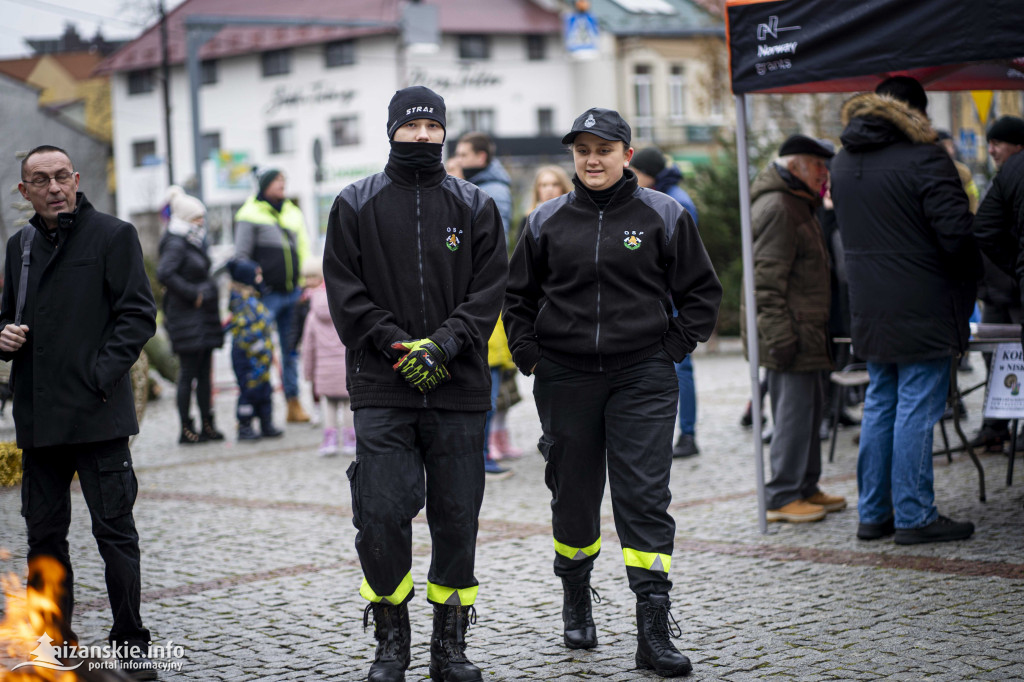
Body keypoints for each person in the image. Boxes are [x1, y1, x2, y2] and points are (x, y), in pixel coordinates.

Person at [504, 108, 721, 678]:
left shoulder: (664, 213)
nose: (592, 159)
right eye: (582, 151)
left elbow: (701, 291)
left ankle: (653, 625)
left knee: (644, 496)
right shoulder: (546, 219)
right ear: (573, 157)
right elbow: (517, 298)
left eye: (604, 149)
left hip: (641, 376)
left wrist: (670, 348)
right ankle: (576, 597)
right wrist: (531, 356)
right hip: (565, 377)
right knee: (573, 496)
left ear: (628, 153)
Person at [324, 86, 507, 682]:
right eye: (413, 127)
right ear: (392, 131)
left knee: (457, 515)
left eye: (434, 127)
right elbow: (345, 294)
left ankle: (449, 641)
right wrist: (397, 345)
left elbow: (489, 290)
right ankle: (390, 636)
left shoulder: (476, 205)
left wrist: (447, 342)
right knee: (380, 513)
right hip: (383, 384)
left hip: (458, 387)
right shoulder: (354, 203)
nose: (424, 137)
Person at [0, 145, 158, 679]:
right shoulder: (18, 245)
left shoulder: (113, 235)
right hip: (40, 421)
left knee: (115, 533)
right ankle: (53, 643)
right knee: (44, 537)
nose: (53, 187)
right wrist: (2, 337)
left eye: (61, 176)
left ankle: (132, 643)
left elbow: (137, 315)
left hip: (98, 416)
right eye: (40, 180)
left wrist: (98, 375)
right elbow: (6, 319)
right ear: (25, 192)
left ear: (76, 178)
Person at [830, 76, 979, 545]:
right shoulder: (926, 156)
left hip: (870, 304)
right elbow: (957, 237)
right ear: (917, 113)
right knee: (917, 405)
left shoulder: (843, 159)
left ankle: (875, 513)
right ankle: (915, 515)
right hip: (924, 301)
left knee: (881, 402)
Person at [744, 135, 847, 523]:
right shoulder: (780, 207)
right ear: (796, 166)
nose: (825, 173)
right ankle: (783, 495)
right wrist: (781, 337)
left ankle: (805, 486)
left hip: (806, 330)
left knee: (809, 412)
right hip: (790, 333)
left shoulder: (798, 202)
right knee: (793, 416)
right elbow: (765, 282)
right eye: (819, 165)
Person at [632, 147, 703, 458]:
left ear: (649, 173)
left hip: (673, 300)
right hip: (663, 297)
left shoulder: (675, 202)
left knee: (681, 368)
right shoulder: (663, 194)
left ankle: (687, 434)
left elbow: (686, 259)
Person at [234, 168, 313, 423]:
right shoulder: (249, 213)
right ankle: (261, 406)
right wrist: (254, 285)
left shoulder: (292, 211)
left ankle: (293, 403)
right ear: (265, 185)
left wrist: (305, 283)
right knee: (261, 352)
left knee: (290, 351)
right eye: (278, 180)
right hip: (266, 296)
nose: (283, 184)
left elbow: (303, 248)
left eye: (284, 180)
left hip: (293, 292)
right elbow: (241, 256)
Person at [970, 116, 1024, 452]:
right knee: (995, 360)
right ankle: (994, 424)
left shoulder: (1012, 174)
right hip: (995, 291)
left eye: (998, 142)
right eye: (989, 143)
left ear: (1018, 145)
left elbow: (986, 229)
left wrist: (1015, 268)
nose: (991, 150)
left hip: (1015, 291)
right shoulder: (1000, 177)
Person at [157, 186, 225, 445]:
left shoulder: (193, 240)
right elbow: (165, 273)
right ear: (185, 219)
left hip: (202, 316)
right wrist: (193, 293)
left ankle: (208, 423)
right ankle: (186, 428)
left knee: (205, 371)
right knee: (188, 373)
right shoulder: (175, 242)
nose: (202, 223)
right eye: (198, 218)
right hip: (186, 316)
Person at [301, 259, 354, 456]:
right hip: (344, 368)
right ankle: (350, 440)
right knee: (348, 404)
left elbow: (308, 348)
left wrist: (308, 373)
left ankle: (330, 440)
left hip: (323, 371)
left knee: (329, 405)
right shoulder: (342, 312)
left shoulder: (312, 316)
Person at [226, 259, 283, 441]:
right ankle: (245, 425)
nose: (260, 279)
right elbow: (246, 332)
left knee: (265, 390)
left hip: (261, 357)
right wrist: (258, 348)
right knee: (249, 391)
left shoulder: (254, 299)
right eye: (257, 275)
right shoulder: (241, 302)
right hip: (247, 357)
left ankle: (266, 422)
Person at [454, 131, 514, 238]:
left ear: (481, 157)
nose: (458, 161)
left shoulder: (496, 191)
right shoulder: (472, 184)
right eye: (457, 155)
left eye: (463, 155)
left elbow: (498, 236)